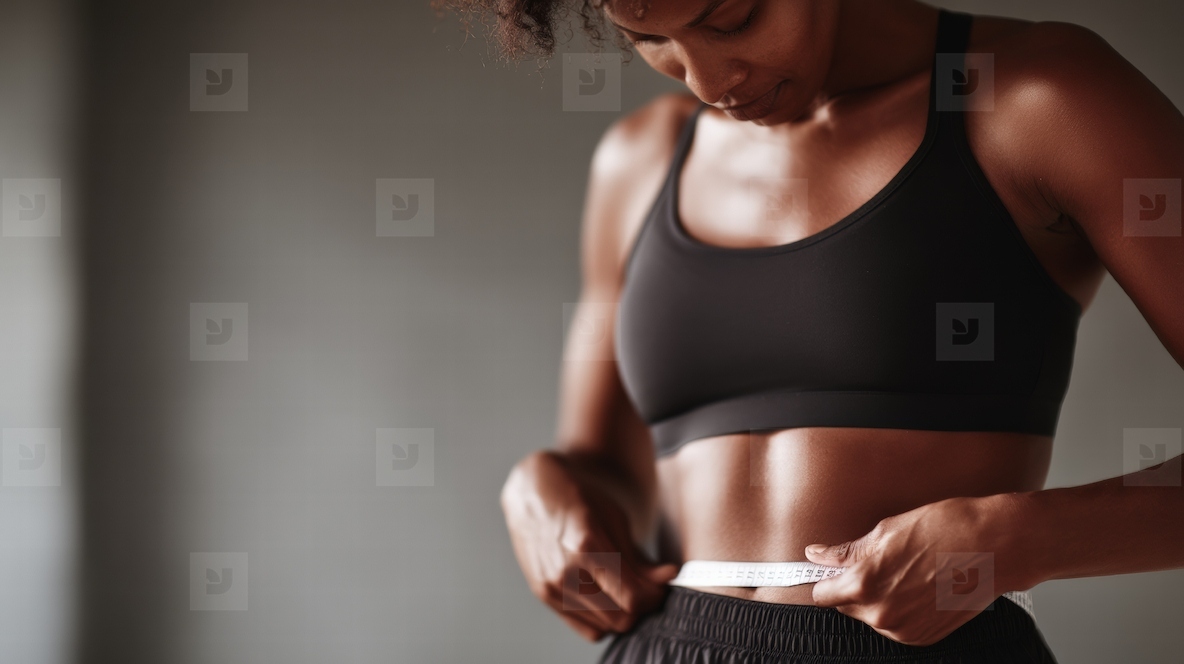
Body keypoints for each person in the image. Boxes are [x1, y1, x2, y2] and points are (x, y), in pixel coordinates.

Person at [433, 0, 1184, 661]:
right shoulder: (640, 160)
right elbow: (607, 472)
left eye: (732, 20)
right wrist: (539, 488)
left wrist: (1024, 537)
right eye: (649, 38)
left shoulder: (1041, 96)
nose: (707, 81)